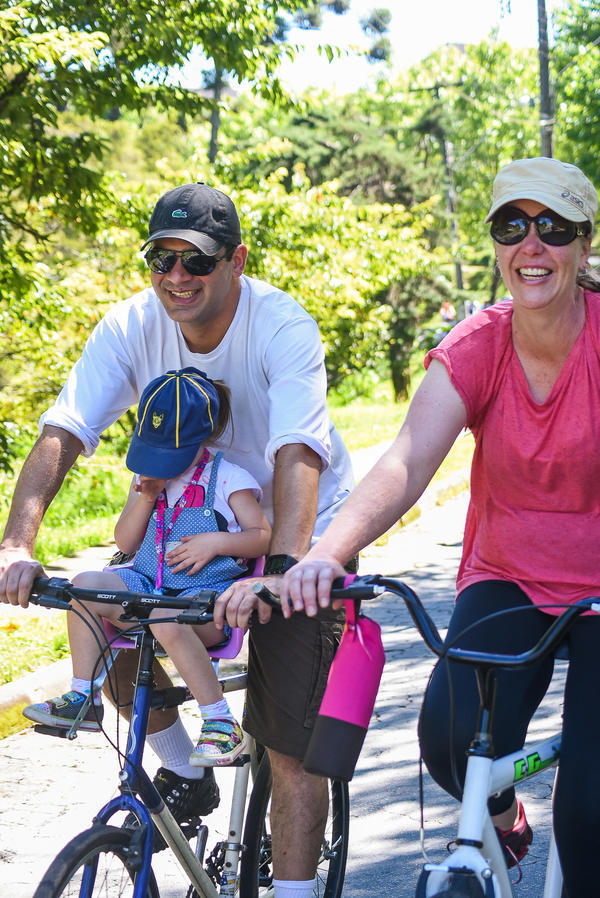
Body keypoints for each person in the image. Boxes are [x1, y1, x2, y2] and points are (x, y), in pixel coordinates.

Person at [0, 182, 354, 897]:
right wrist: (16, 544)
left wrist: (279, 570)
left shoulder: (280, 325)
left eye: (195, 260)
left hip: (297, 526)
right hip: (182, 529)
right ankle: (188, 777)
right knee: (119, 642)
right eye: (160, 259)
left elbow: (296, 453)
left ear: (236, 261)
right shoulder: (132, 326)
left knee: (290, 747)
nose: (176, 277)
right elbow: (65, 430)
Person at [280, 157, 600, 898]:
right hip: (510, 575)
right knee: (450, 742)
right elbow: (405, 462)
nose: (532, 245)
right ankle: (501, 810)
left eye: (553, 228)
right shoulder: (477, 346)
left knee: (589, 806)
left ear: (583, 244)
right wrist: (327, 553)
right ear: (494, 241)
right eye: (512, 226)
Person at [23, 367, 271, 766]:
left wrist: (217, 541)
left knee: (164, 617)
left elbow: (261, 536)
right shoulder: (147, 481)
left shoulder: (227, 478)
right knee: (85, 586)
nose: (159, 464)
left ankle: (220, 722)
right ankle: (83, 696)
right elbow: (125, 543)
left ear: (200, 439)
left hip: (200, 607)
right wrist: (145, 497)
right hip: (147, 591)